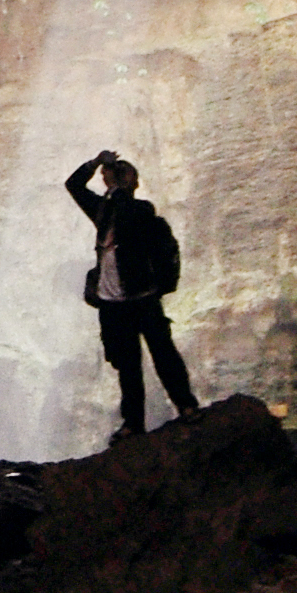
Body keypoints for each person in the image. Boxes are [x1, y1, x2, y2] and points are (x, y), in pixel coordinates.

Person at [65, 150, 196, 438]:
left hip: (143, 298)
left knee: (164, 355)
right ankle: (133, 423)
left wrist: (116, 187)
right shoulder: (103, 212)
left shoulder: (139, 211)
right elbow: (73, 185)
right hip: (113, 304)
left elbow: (124, 212)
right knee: (128, 366)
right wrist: (96, 162)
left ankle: (186, 406)